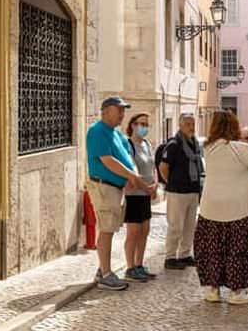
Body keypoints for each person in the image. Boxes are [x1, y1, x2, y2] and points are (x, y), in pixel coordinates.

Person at [195, 111, 248, 304]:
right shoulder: (242, 148)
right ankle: (236, 292)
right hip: (237, 208)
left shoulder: (208, 148)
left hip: (210, 207)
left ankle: (212, 289)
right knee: (237, 250)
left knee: (213, 249)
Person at [86, 96, 150, 291]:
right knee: (106, 230)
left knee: (110, 229)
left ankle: (102, 269)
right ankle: (105, 275)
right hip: (104, 186)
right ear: (106, 111)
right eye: (119, 109)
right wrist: (133, 178)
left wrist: (131, 179)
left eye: (124, 110)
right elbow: (108, 161)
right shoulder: (97, 131)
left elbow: (127, 159)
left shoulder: (117, 134)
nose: (123, 114)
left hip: (116, 188)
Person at [159, 113, 204, 270]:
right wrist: (171, 182)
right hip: (177, 191)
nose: (191, 127)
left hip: (192, 190)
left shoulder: (194, 143)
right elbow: (163, 167)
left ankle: (185, 254)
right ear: (180, 125)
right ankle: (170, 257)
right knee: (175, 225)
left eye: (192, 124)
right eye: (188, 124)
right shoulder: (174, 143)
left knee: (189, 226)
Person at [123, 113, 159, 283]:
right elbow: (132, 169)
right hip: (134, 194)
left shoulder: (147, 144)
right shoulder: (128, 144)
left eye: (146, 124)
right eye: (140, 124)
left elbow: (153, 167)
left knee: (145, 230)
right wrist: (147, 188)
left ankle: (139, 264)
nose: (143, 127)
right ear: (132, 125)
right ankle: (130, 267)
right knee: (133, 232)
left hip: (146, 193)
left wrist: (156, 184)